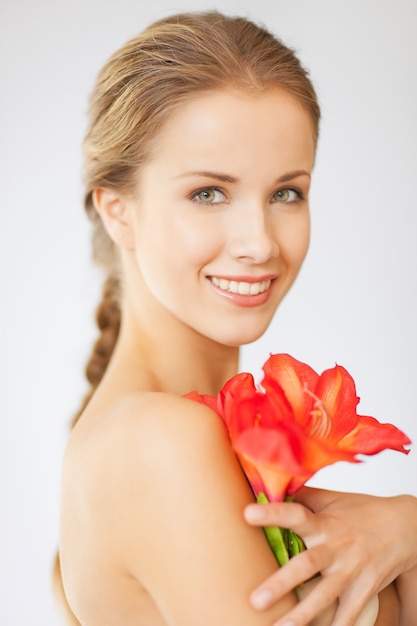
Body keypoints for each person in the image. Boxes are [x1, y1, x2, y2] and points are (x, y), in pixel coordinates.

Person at [53, 10, 416, 626]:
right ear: (119, 212)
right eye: (208, 193)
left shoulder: (182, 433)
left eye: (285, 193)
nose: (259, 242)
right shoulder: (160, 442)